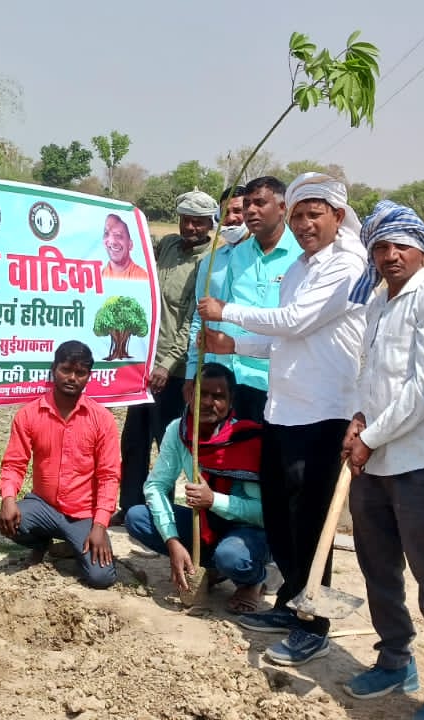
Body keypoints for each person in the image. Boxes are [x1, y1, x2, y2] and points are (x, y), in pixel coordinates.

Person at [198, 172, 367, 664]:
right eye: (298, 215)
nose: (305, 224)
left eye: (315, 214)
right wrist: (234, 345)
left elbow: (294, 321)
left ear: (337, 216)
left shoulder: (348, 265)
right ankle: (291, 602)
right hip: (283, 407)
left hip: (324, 412)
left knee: (311, 523)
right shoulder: (299, 268)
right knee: (279, 514)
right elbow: (281, 339)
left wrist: (227, 311)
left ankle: (313, 625)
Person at [338, 201, 424, 720]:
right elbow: (370, 373)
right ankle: (395, 660)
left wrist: (370, 436)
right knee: (378, 570)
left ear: (423, 248)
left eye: (402, 245)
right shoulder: (378, 301)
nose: (391, 255)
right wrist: (358, 418)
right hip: (374, 462)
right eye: (381, 247)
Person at [124, 363, 270, 613]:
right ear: (190, 394)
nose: (208, 402)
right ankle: (211, 567)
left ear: (231, 401)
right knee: (137, 517)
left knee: (232, 557)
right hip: (203, 522)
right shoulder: (178, 431)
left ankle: (254, 580)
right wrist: (172, 541)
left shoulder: (246, 440)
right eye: (203, 393)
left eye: (218, 396)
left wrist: (214, 500)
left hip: (246, 531)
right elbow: (156, 486)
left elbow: (264, 514)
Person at [117, 190, 214, 517]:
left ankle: (164, 510)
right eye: (186, 220)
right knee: (134, 438)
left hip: (173, 370)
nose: (191, 227)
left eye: (198, 222)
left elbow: (191, 320)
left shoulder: (209, 261)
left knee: (167, 442)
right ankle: (131, 506)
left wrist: (168, 364)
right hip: (144, 361)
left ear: (209, 223)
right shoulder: (169, 245)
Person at [0, 341, 121, 588]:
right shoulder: (29, 414)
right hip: (43, 506)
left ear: (89, 377)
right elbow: (14, 464)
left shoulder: (102, 419)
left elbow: (109, 476)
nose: (72, 377)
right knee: (7, 521)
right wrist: (8, 499)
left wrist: (99, 526)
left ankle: (73, 545)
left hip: (83, 514)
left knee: (101, 578)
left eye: (80, 373)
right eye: (66, 369)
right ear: (54, 369)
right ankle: (41, 543)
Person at [184, 176, 298, 423]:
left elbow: (293, 323)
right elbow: (216, 312)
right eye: (247, 204)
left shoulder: (300, 256)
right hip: (231, 379)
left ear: (282, 208)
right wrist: (197, 369)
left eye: (259, 203)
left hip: (276, 382)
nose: (250, 211)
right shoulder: (239, 255)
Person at [102, 213, 150, 280]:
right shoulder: (101, 274)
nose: (112, 241)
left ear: (130, 244)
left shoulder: (141, 276)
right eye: (106, 234)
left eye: (118, 235)